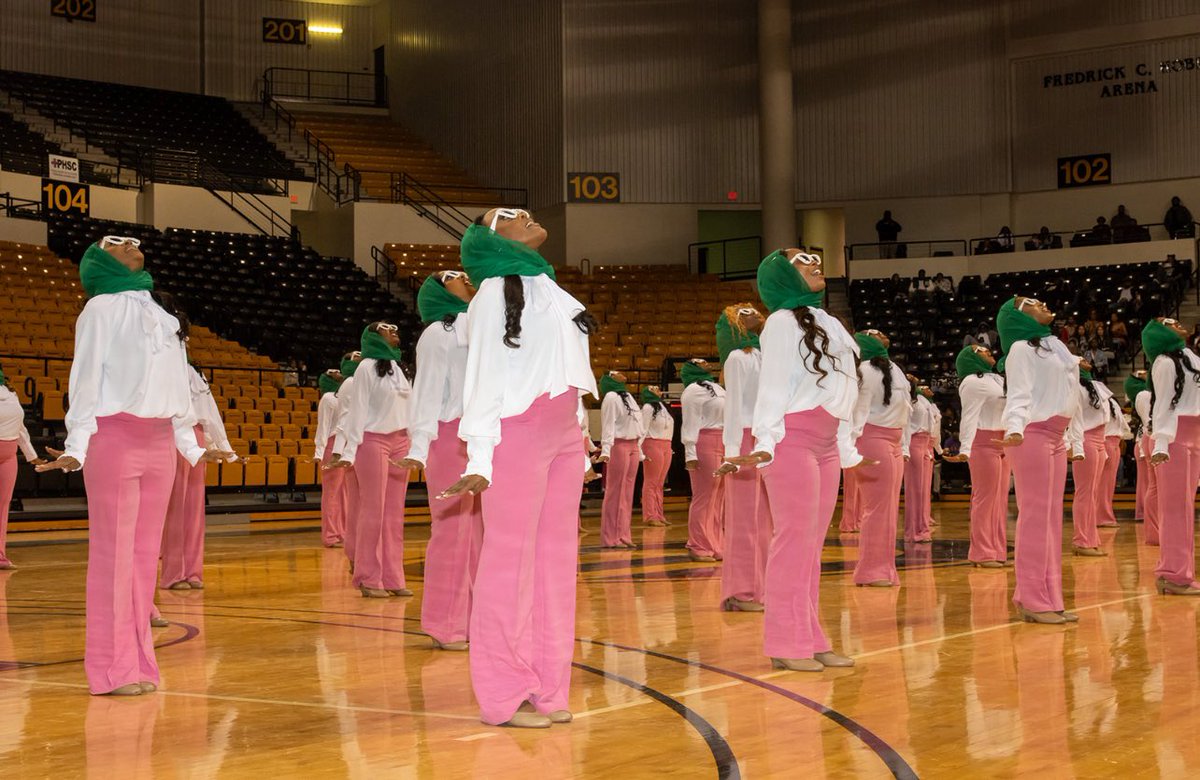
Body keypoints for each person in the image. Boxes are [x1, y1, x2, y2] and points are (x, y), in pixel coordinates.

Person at [36, 236, 230, 695]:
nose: (132, 244)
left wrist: (193, 445)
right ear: (100, 260)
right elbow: (84, 380)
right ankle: (109, 669)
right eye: (117, 242)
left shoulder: (163, 315)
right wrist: (78, 443)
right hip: (115, 436)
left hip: (160, 439)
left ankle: (140, 663)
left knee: (145, 558)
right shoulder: (99, 309)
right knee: (114, 556)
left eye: (135, 240)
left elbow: (177, 390)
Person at [441, 207, 599, 729]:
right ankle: (503, 691)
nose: (525, 216)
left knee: (556, 564)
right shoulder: (491, 294)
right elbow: (483, 378)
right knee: (509, 563)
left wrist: (582, 437)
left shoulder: (552, 289)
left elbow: (572, 371)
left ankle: (549, 687)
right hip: (516, 431)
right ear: (489, 237)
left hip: (561, 435)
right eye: (507, 215)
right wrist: (480, 456)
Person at [725, 248, 863, 672]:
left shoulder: (829, 321)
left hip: (823, 442)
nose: (814, 261)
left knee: (811, 547)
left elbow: (844, 390)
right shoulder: (781, 325)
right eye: (802, 259)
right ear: (783, 274)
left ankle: (811, 634)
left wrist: (845, 445)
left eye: (814, 256)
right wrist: (765, 439)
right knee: (793, 543)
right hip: (791, 440)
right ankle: (786, 641)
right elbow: (773, 386)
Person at [396, 270, 482, 650]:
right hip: (449, 436)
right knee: (453, 531)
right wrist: (418, 446)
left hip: (482, 437)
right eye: (451, 276)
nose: (463, 277)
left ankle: (479, 618)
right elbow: (426, 392)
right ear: (436, 293)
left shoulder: (483, 323)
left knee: (481, 535)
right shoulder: (437, 333)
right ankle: (445, 624)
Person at [996, 295, 1082, 624]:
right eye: (1030, 302)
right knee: (1035, 517)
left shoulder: (1052, 345)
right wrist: (1015, 427)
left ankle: (1050, 596)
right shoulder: (1021, 349)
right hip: (1032, 433)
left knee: (1050, 518)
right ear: (1017, 316)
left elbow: (1070, 394)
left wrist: (1073, 437)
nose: (1042, 302)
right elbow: (1019, 392)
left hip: (1055, 435)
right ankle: (1032, 597)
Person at [328, 322, 413, 599]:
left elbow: (408, 408)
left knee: (394, 514)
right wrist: (349, 451)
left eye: (395, 328)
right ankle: (367, 576)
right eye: (387, 329)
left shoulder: (398, 368)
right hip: (373, 439)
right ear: (374, 337)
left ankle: (392, 576)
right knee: (373, 511)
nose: (394, 331)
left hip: (400, 441)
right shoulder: (365, 368)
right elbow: (358, 410)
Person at [160, 361, 239, 590]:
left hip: (198, 434)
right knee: (176, 509)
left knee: (195, 510)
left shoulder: (196, 371)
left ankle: (193, 571)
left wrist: (225, 447)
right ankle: (173, 573)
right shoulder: (166, 367)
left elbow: (210, 412)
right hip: (173, 434)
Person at [713, 303, 770, 610]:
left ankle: (760, 586)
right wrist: (732, 454)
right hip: (745, 440)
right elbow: (734, 407)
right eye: (743, 311)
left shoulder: (766, 353)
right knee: (744, 520)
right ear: (734, 323)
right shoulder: (737, 358)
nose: (753, 310)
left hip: (765, 437)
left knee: (764, 520)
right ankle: (740, 591)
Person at [850, 329, 911, 587]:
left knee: (887, 509)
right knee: (877, 509)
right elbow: (858, 410)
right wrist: (852, 447)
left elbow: (905, 409)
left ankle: (882, 568)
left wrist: (904, 445)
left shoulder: (893, 367)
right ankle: (871, 570)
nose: (881, 333)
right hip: (872, 438)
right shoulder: (863, 369)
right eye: (873, 332)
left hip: (893, 439)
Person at [1144, 318, 1200, 595]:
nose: (1178, 323)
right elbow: (1163, 404)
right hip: (1174, 437)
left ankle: (1181, 572)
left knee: (1185, 507)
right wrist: (1161, 445)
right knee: (1176, 508)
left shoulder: (1190, 357)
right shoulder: (1165, 362)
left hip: (1193, 434)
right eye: (1169, 323)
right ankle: (1172, 573)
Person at [949, 345, 1008, 567]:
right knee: (984, 499)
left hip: (1003, 440)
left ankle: (998, 550)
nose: (987, 351)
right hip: (983, 442)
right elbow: (969, 416)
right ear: (970, 358)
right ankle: (982, 553)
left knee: (1000, 499)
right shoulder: (972, 382)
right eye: (980, 350)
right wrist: (965, 448)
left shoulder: (998, 380)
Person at [680, 358, 726, 563]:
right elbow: (690, 422)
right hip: (704, 441)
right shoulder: (691, 390)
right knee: (704, 497)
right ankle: (698, 544)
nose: (705, 363)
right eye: (699, 361)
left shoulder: (717, 387)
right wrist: (690, 452)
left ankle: (716, 544)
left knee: (719, 498)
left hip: (723, 440)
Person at [1, 366, 46, 569]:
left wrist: (32, 456)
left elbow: (21, 427)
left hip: (8, 456)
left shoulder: (11, 393)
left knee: (3, 506)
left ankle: (0, 554)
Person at [595, 370, 644, 549]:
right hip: (619, 445)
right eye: (616, 373)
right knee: (615, 491)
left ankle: (623, 534)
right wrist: (606, 449)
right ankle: (610, 537)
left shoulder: (628, 396)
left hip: (632, 445)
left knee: (628, 492)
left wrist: (640, 448)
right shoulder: (610, 397)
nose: (622, 374)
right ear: (609, 378)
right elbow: (608, 424)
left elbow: (638, 423)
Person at [1070, 360, 1113, 557]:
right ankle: (1081, 540)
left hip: (1098, 439)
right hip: (1085, 439)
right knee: (1085, 492)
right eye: (1080, 360)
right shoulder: (1073, 388)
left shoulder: (1095, 385)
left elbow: (1104, 417)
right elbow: (1074, 420)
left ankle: (1090, 538)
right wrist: (1075, 445)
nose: (1085, 361)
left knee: (1093, 492)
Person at [330, 351, 362, 570]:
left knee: (361, 504)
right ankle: (354, 554)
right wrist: (339, 451)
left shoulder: (370, 376)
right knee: (357, 505)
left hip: (369, 442)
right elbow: (344, 419)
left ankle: (362, 555)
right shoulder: (350, 383)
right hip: (356, 446)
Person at [903, 381, 940, 544]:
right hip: (914, 442)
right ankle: (913, 530)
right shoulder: (910, 400)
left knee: (924, 488)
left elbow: (933, 426)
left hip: (925, 443)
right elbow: (905, 425)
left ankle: (923, 526)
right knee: (915, 488)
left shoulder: (924, 402)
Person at [313, 367, 346, 547]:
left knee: (345, 493)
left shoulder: (347, 394)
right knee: (332, 493)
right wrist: (319, 452)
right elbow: (323, 427)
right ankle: (330, 535)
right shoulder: (327, 398)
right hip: (332, 445)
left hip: (346, 444)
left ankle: (344, 532)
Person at [1096, 378, 1132, 529]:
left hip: (1113, 443)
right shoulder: (1111, 405)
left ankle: (1104, 515)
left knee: (1107, 484)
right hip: (1108, 442)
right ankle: (1102, 517)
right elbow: (1124, 427)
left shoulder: (1109, 405)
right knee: (1105, 484)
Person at [1126, 371, 1158, 541]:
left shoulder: (1140, 396)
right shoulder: (1145, 394)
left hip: (1146, 437)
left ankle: (1151, 523)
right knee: (1153, 485)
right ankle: (1150, 521)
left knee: (1151, 485)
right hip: (1151, 436)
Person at [639, 386, 674, 527]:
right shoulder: (647, 408)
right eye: (653, 388)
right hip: (652, 444)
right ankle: (650, 515)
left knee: (660, 483)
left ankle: (659, 514)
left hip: (666, 445)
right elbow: (642, 430)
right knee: (651, 481)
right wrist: (640, 451)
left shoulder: (662, 406)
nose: (657, 388)